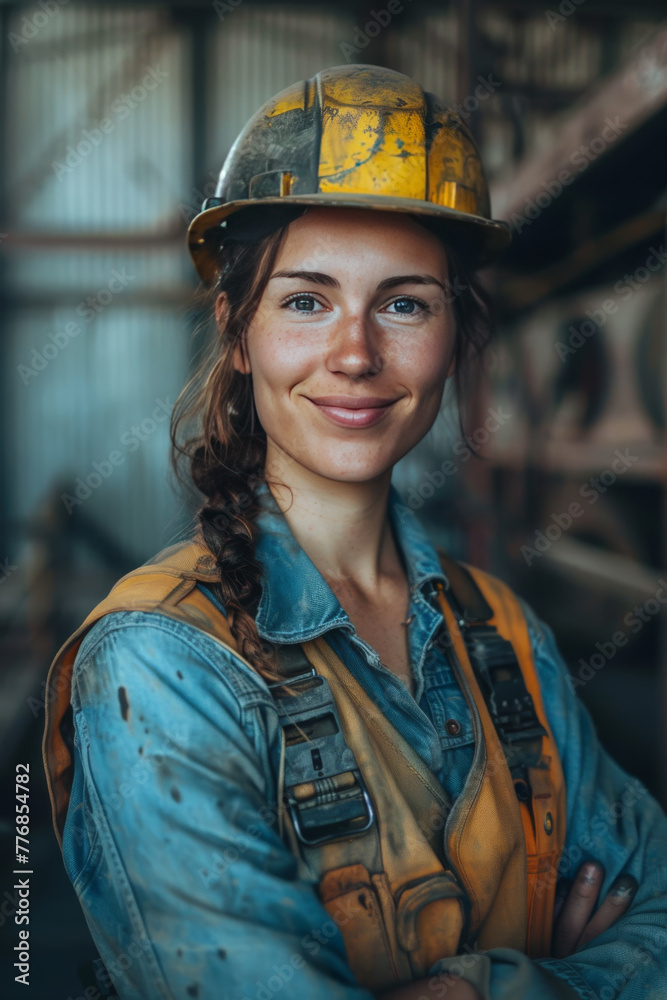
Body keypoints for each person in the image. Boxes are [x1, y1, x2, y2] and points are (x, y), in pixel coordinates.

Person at [43, 65, 667, 1000]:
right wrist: (544, 976)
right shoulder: (159, 663)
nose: (355, 354)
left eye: (404, 302)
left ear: (454, 335)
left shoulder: (501, 628)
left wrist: (455, 990)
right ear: (238, 331)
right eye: (305, 300)